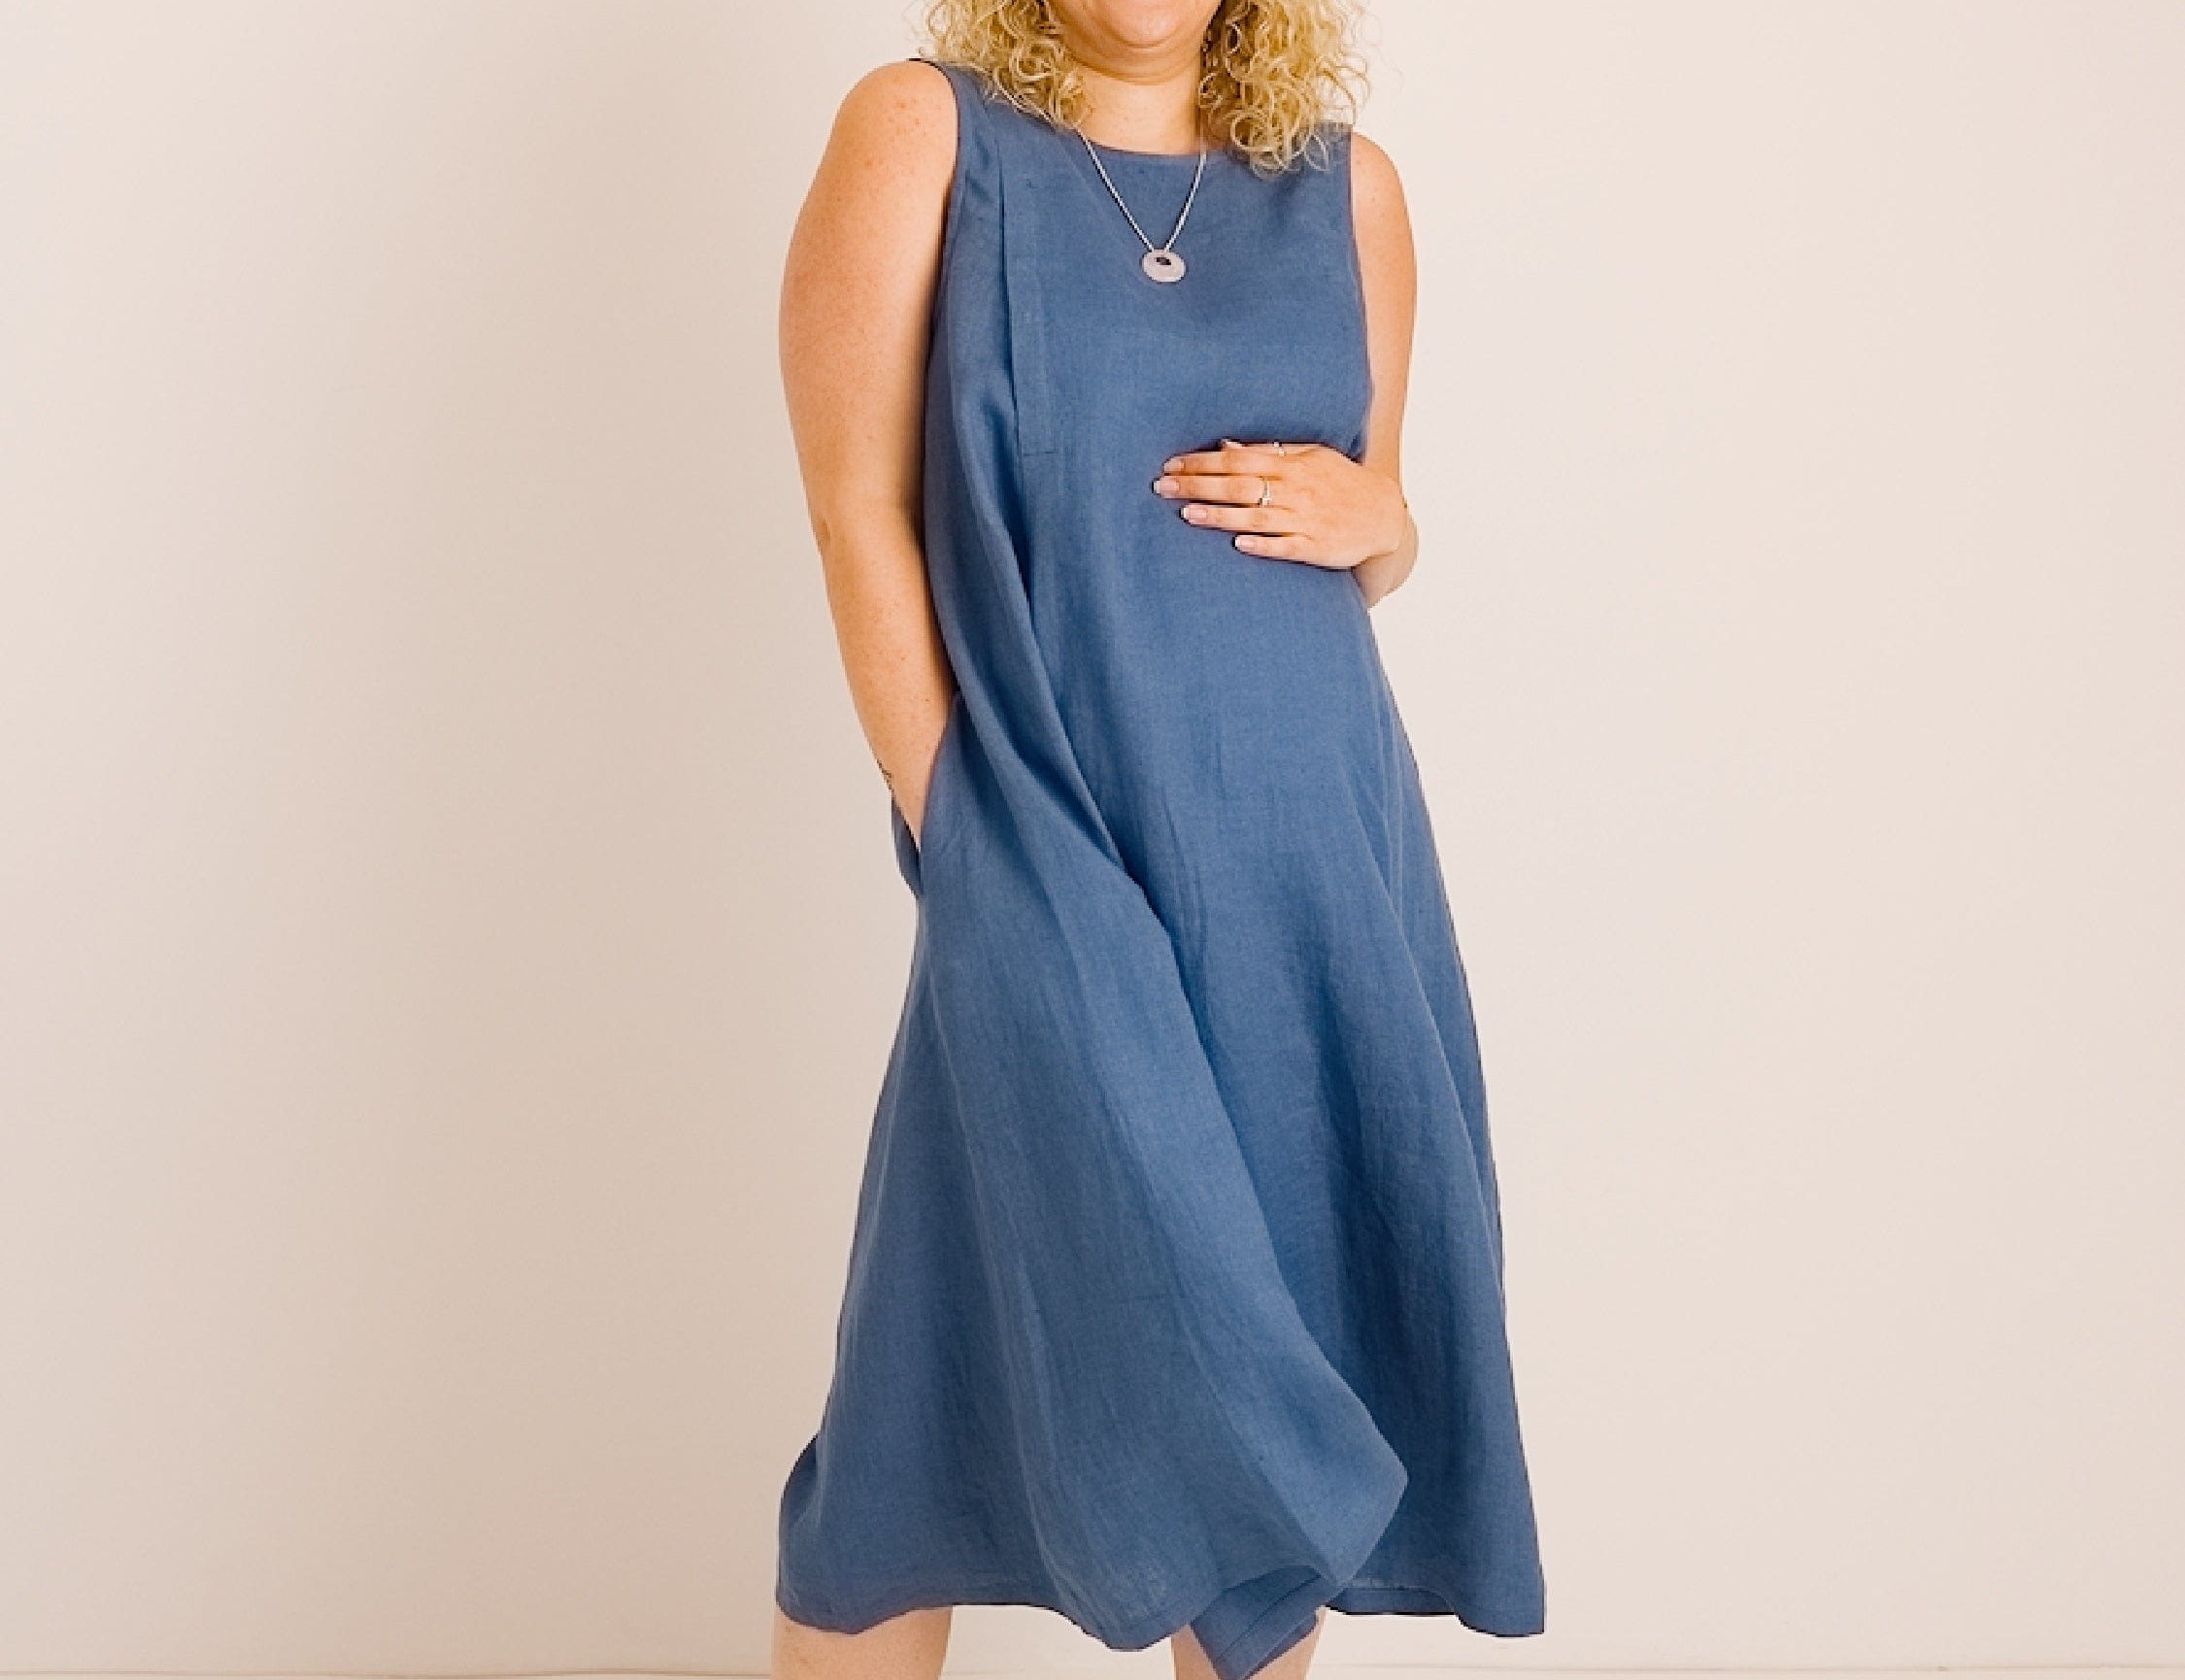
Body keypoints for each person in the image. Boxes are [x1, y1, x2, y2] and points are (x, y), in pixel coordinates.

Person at [771, 4, 1545, 1679]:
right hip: (1042, 831)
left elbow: (1372, 514)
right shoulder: (924, 134)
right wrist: (966, 829)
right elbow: (857, 508)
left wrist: (1390, 521)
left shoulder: (1348, 190)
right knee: (918, 1394)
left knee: (1281, 1344)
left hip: (1316, 862)